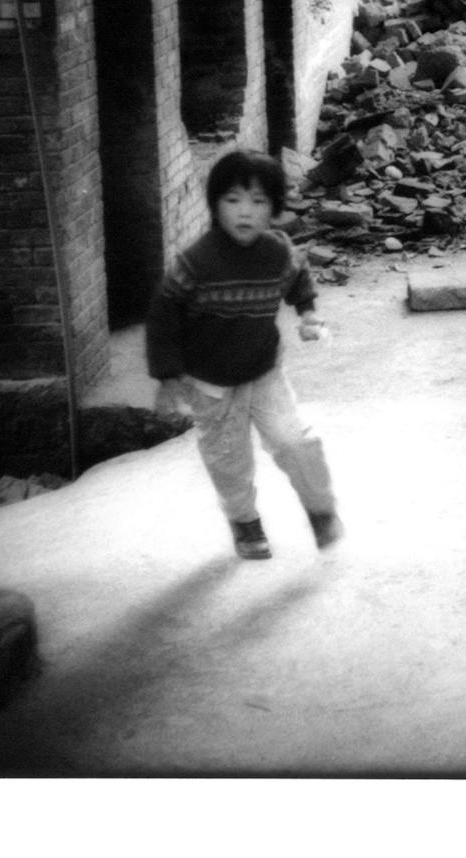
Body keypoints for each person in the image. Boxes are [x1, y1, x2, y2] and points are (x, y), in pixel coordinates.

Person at [147, 148, 343, 560]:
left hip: (263, 371)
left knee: (295, 441)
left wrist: (308, 314)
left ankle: (322, 510)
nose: (245, 212)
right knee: (228, 460)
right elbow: (163, 317)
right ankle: (245, 523)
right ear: (216, 204)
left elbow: (298, 278)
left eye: (258, 201)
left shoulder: (278, 251)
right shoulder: (195, 263)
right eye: (233, 200)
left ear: (273, 208)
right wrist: (167, 377)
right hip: (210, 384)